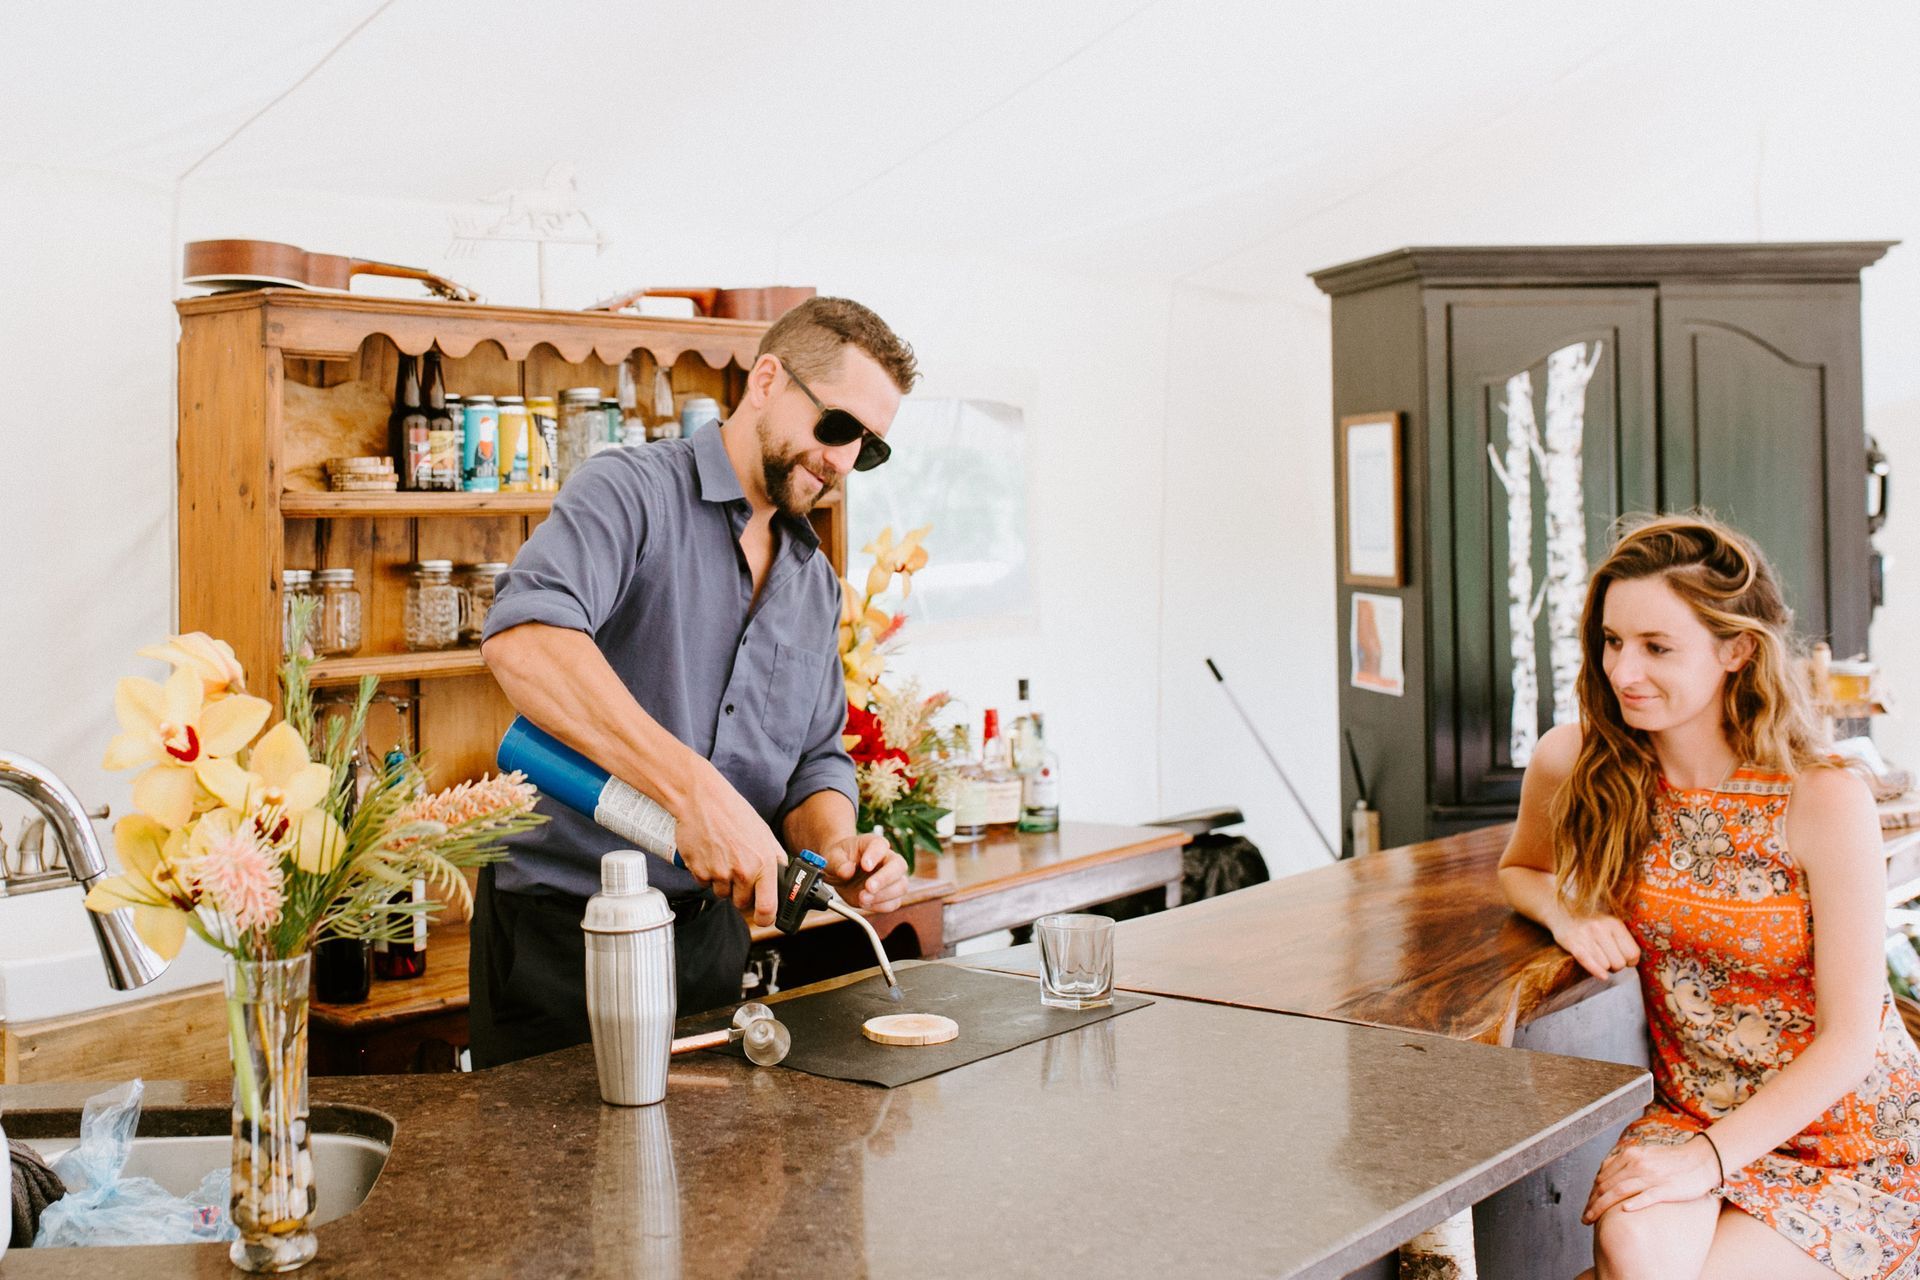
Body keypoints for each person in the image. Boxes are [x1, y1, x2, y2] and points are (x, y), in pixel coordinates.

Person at [471, 297, 918, 1068]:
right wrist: (694, 794)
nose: (843, 461)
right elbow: (527, 641)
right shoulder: (630, 491)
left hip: (708, 946)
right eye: (838, 426)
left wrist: (837, 846)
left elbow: (815, 760)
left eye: (868, 448)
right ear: (767, 380)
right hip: (563, 938)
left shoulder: (815, 583)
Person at [1498, 514, 1920, 1279]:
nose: (1624, 670)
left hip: (1849, 1138)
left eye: (1657, 647)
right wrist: (1567, 911)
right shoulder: (1577, 762)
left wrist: (1708, 1160)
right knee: (1632, 1247)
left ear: (1737, 650)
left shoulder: (1821, 799)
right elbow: (1520, 868)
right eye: (1612, 641)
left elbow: (1850, 1038)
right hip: (1692, 1109)